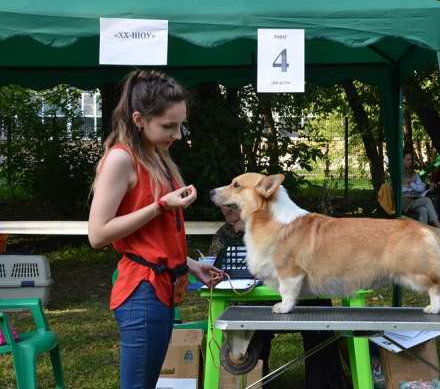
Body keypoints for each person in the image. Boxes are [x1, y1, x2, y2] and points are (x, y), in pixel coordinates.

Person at [88, 69, 224, 389]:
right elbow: (97, 234)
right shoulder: (121, 159)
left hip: (163, 288)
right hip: (141, 293)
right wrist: (160, 205)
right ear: (138, 119)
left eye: (180, 125)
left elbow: (155, 236)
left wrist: (192, 265)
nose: (177, 135)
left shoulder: (157, 154)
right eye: (168, 126)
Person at [210, 203, 348, 389]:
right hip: (255, 303)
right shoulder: (225, 233)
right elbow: (215, 264)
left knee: (321, 313)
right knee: (245, 323)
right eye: (223, 209)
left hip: (298, 301)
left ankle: (324, 383)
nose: (227, 213)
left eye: (233, 209)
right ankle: (254, 380)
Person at [401, 151, 440, 228]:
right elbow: (400, 189)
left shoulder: (413, 173)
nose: (410, 162)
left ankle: (422, 235)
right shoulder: (398, 174)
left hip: (414, 200)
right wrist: (410, 183)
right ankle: (439, 227)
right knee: (427, 200)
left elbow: (422, 187)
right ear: (402, 160)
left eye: (411, 160)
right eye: (407, 160)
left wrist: (410, 184)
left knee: (424, 211)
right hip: (404, 202)